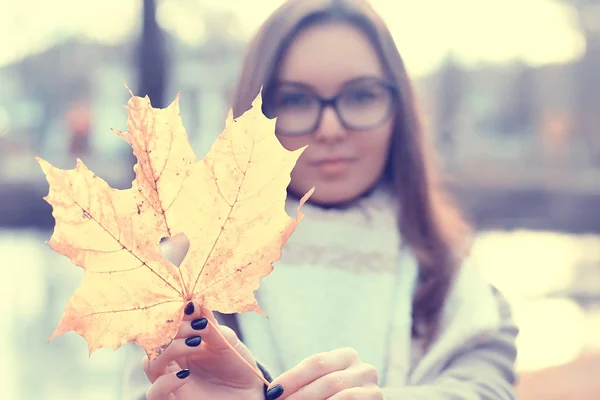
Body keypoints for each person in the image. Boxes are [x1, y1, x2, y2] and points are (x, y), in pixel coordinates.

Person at [122, 0, 519, 398]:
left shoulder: (456, 281)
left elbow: (487, 390)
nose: (330, 129)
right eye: (296, 100)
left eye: (361, 96)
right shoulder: (181, 274)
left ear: (399, 111)